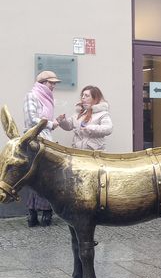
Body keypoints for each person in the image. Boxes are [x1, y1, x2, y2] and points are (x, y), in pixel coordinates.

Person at [23, 70, 61, 227]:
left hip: (46, 140)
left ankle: (45, 211)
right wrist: (51, 124)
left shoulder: (47, 99)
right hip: (35, 141)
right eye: (50, 82)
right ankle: (33, 212)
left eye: (54, 83)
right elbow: (32, 120)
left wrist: (54, 123)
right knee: (36, 177)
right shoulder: (31, 96)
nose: (52, 86)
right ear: (42, 83)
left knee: (46, 178)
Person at [57, 85, 113, 151]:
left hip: (94, 154)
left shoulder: (102, 114)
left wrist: (90, 128)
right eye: (82, 95)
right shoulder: (80, 112)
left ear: (95, 98)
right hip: (77, 152)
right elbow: (69, 126)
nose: (83, 97)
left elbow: (108, 129)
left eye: (87, 96)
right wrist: (62, 120)